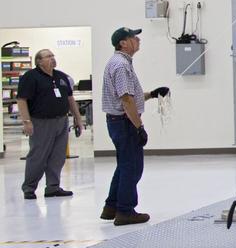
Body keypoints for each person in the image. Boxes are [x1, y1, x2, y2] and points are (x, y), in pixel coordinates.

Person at [100, 27, 169, 226]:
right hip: (124, 123)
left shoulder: (120, 63)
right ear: (123, 43)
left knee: (124, 166)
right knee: (132, 167)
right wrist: (139, 127)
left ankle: (111, 206)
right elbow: (126, 100)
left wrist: (152, 94)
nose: (138, 40)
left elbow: (131, 97)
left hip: (118, 121)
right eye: (133, 37)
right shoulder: (121, 65)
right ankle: (125, 211)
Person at [16, 49, 85, 200]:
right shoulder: (30, 77)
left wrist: (78, 119)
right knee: (38, 156)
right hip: (41, 122)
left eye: (53, 56)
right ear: (39, 61)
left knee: (58, 156)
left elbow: (70, 99)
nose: (52, 59)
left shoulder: (61, 76)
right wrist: (26, 121)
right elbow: (21, 100)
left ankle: (53, 187)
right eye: (48, 57)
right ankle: (29, 188)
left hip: (61, 120)